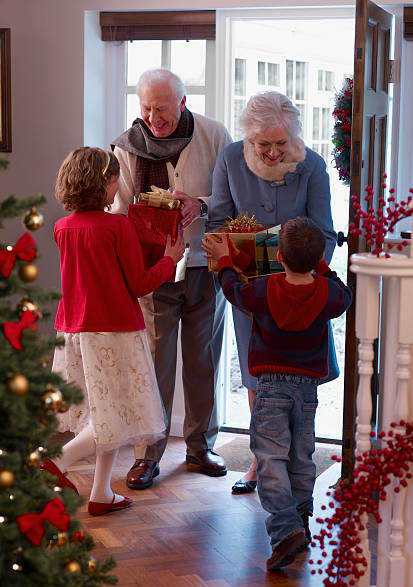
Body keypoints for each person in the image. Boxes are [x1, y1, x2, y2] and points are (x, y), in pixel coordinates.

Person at [202, 217, 351, 570]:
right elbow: (344, 292)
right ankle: (301, 520)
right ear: (316, 258)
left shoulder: (264, 289)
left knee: (269, 459)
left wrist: (225, 261)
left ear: (279, 257)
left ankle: (285, 532)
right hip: (307, 390)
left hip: (270, 388)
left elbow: (232, 291)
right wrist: (321, 266)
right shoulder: (329, 294)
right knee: (301, 457)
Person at [207, 91, 337, 494]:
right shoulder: (230, 159)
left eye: (281, 144)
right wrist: (232, 266)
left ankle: (297, 468)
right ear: (249, 138)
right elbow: (217, 224)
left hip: (301, 292)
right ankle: (261, 466)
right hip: (252, 298)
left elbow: (326, 234)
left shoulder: (312, 167)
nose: (274, 152)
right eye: (264, 145)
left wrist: (297, 272)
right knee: (257, 380)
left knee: (300, 385)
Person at [43, 147, 185, 516]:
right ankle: (56, 460)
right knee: (114, 413)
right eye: (113, 180)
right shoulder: (117, 226)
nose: (116, 186)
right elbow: (139, 285)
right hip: (114, 332)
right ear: (104, 183)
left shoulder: (62, 228)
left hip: (73, 331)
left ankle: (101, 493)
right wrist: (171, 258)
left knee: (100, 411)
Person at [111, 68, 232, 489]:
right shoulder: (127, 147)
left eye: (161, 108)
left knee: (203, 361)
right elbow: (119, 209)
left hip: (205, 265)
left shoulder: (215, 136)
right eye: (145, 108)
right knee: (154, 366)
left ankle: (201, 447)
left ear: (182, 103)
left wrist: (200, 205)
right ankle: (148, 455)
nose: (153, 116)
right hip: (153, 272)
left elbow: (235, 197)